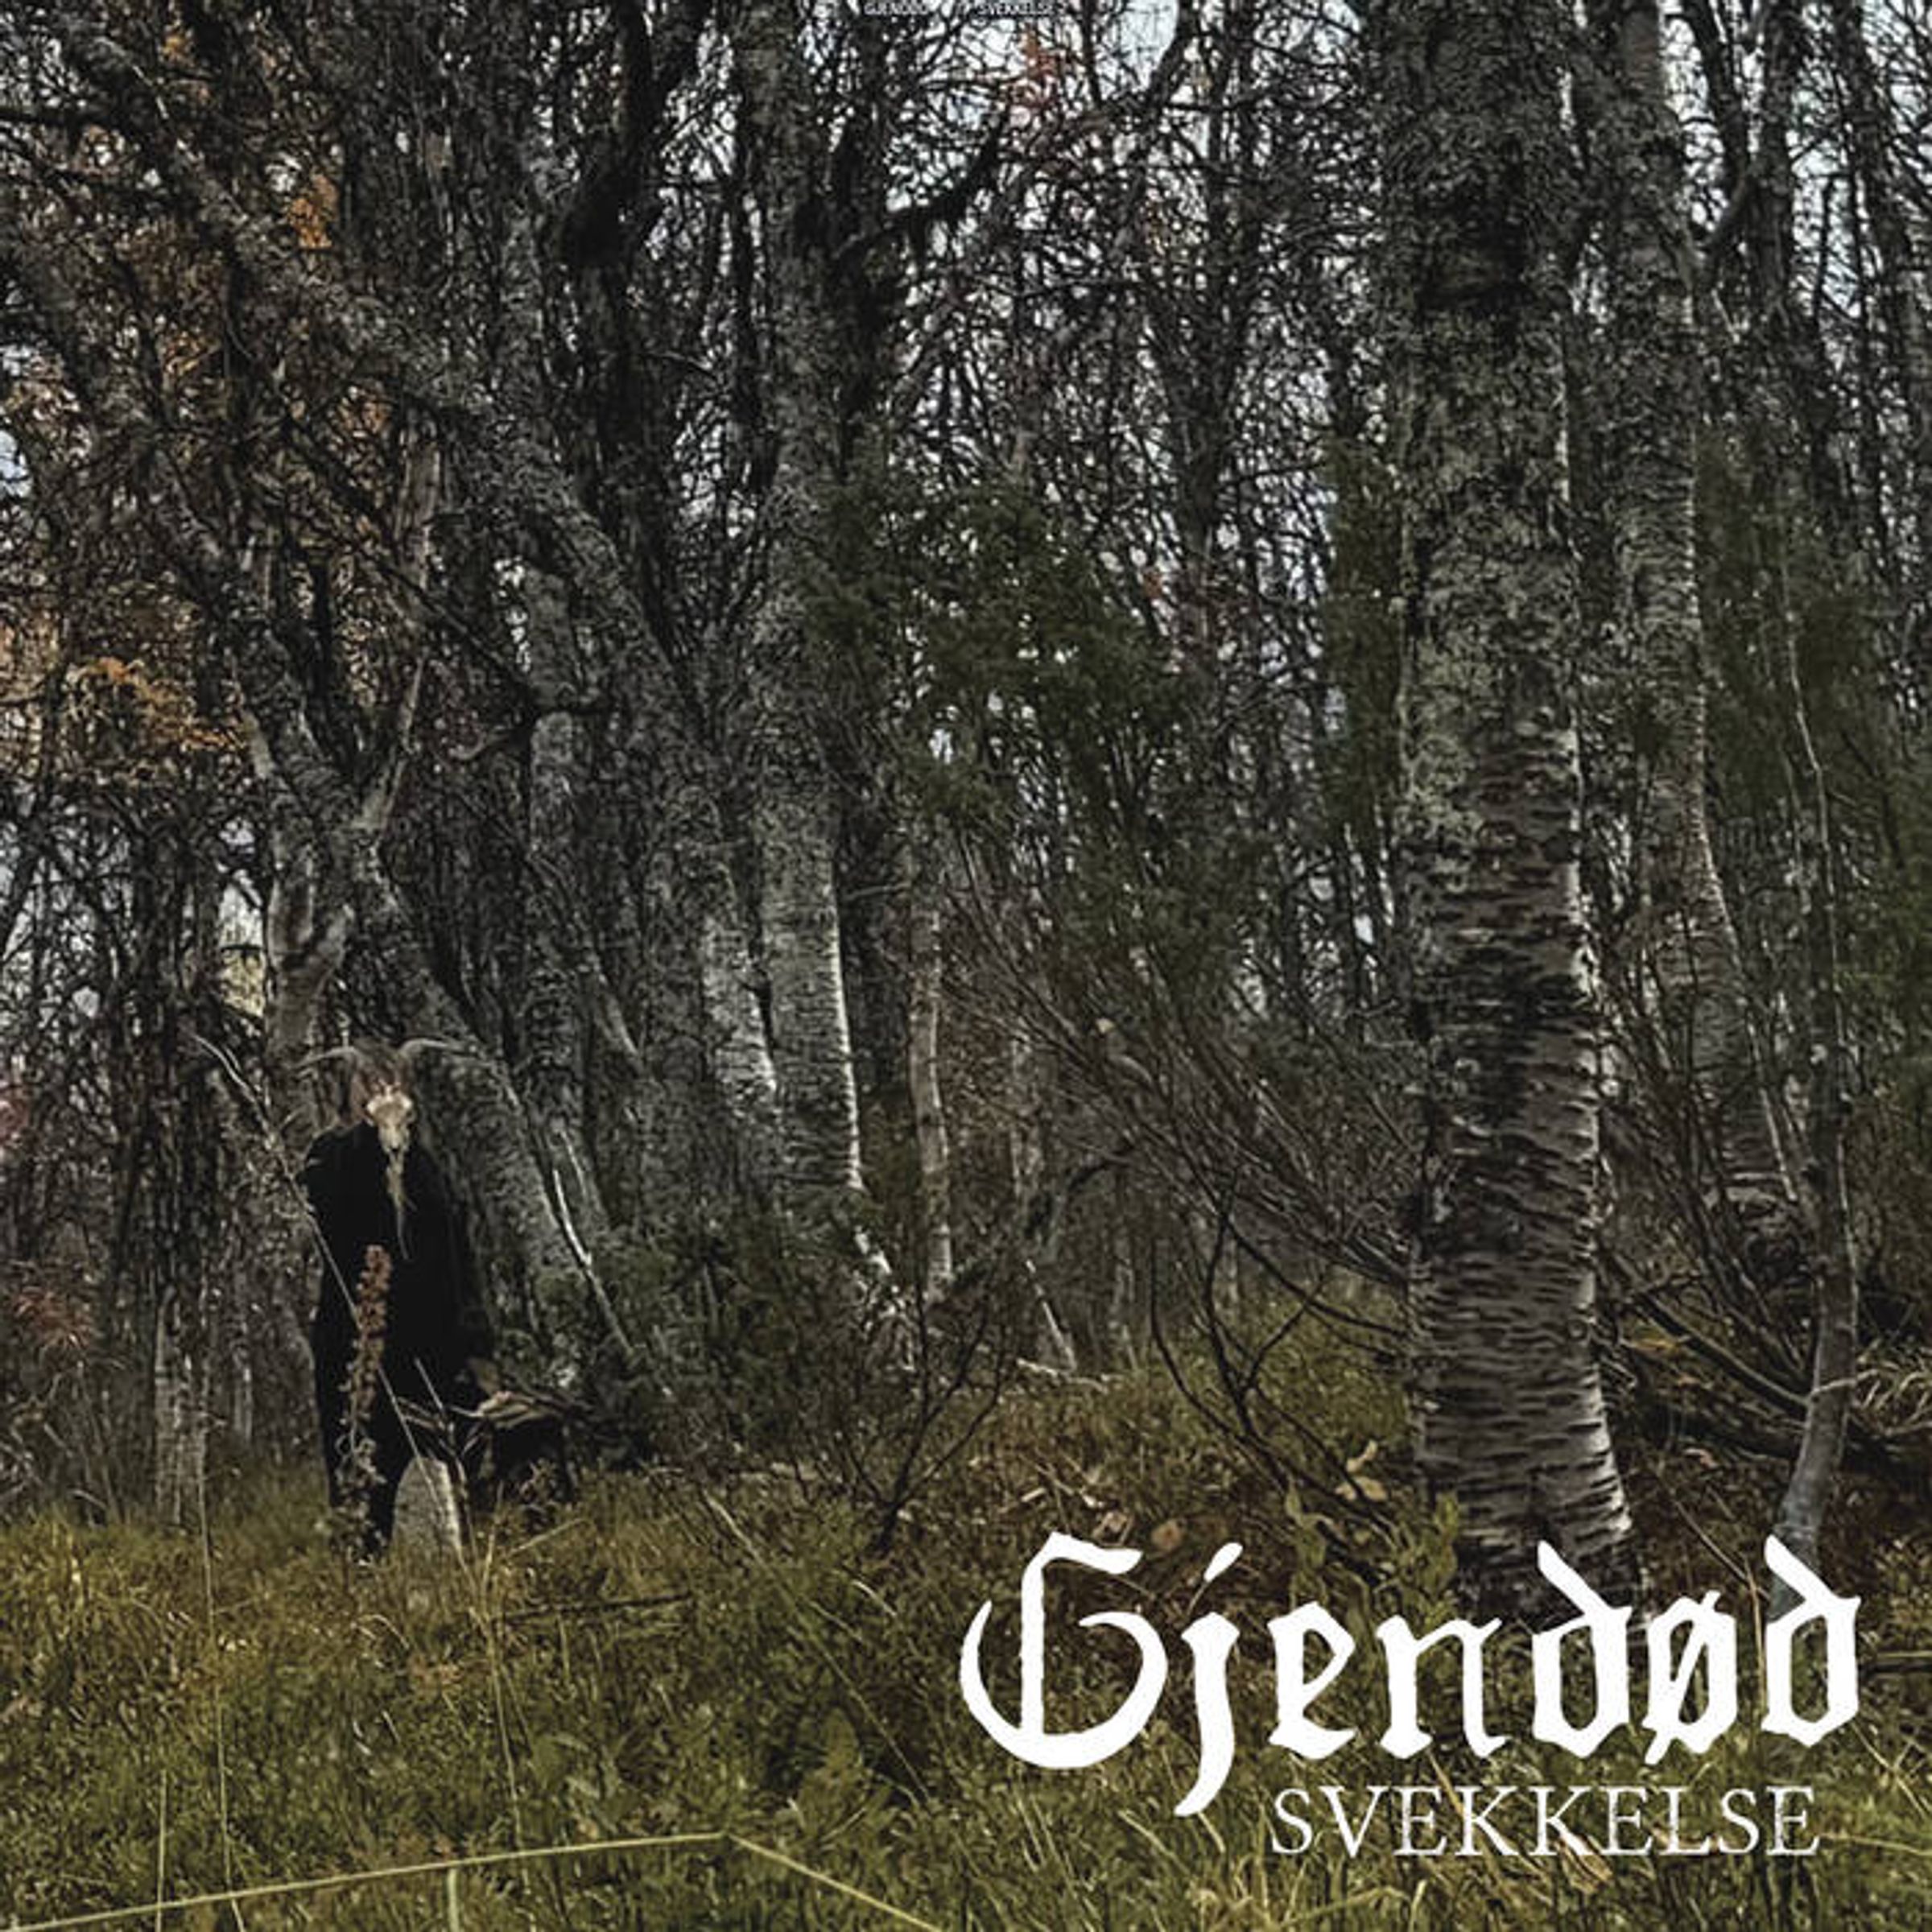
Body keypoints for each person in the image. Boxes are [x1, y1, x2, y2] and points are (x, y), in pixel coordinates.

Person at [301, 1046, 495, 1551]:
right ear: (353, 1093)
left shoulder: (427, 1165)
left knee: (451, 1464)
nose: (386, 1096)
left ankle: (459, 1578)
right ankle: (362, 1577)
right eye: (373, 1086)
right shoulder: (331, 1154)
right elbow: (332, 1215)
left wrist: (474, 1341)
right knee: (361, 1477)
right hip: (358, 1348)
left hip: (428, 1350)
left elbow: (456, 1253)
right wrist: (376, 1138)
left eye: (396, 1087)